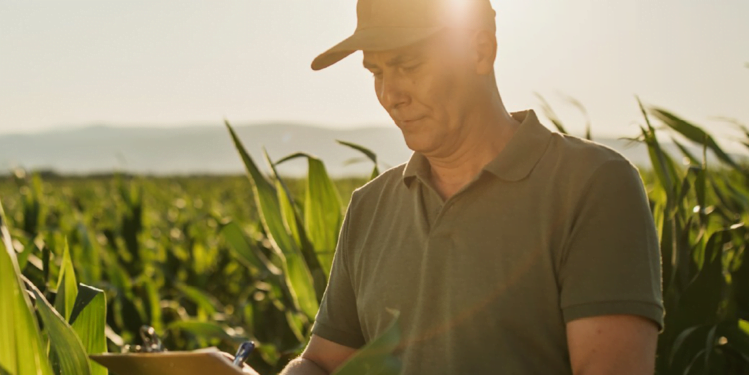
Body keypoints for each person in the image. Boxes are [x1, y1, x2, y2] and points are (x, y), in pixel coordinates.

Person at [245, 0, 665, 373]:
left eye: (408, 65)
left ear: (480, 51)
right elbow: (322, 363)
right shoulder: (370, 206)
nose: (391, 95)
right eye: (376, 72)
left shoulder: (592, 185)